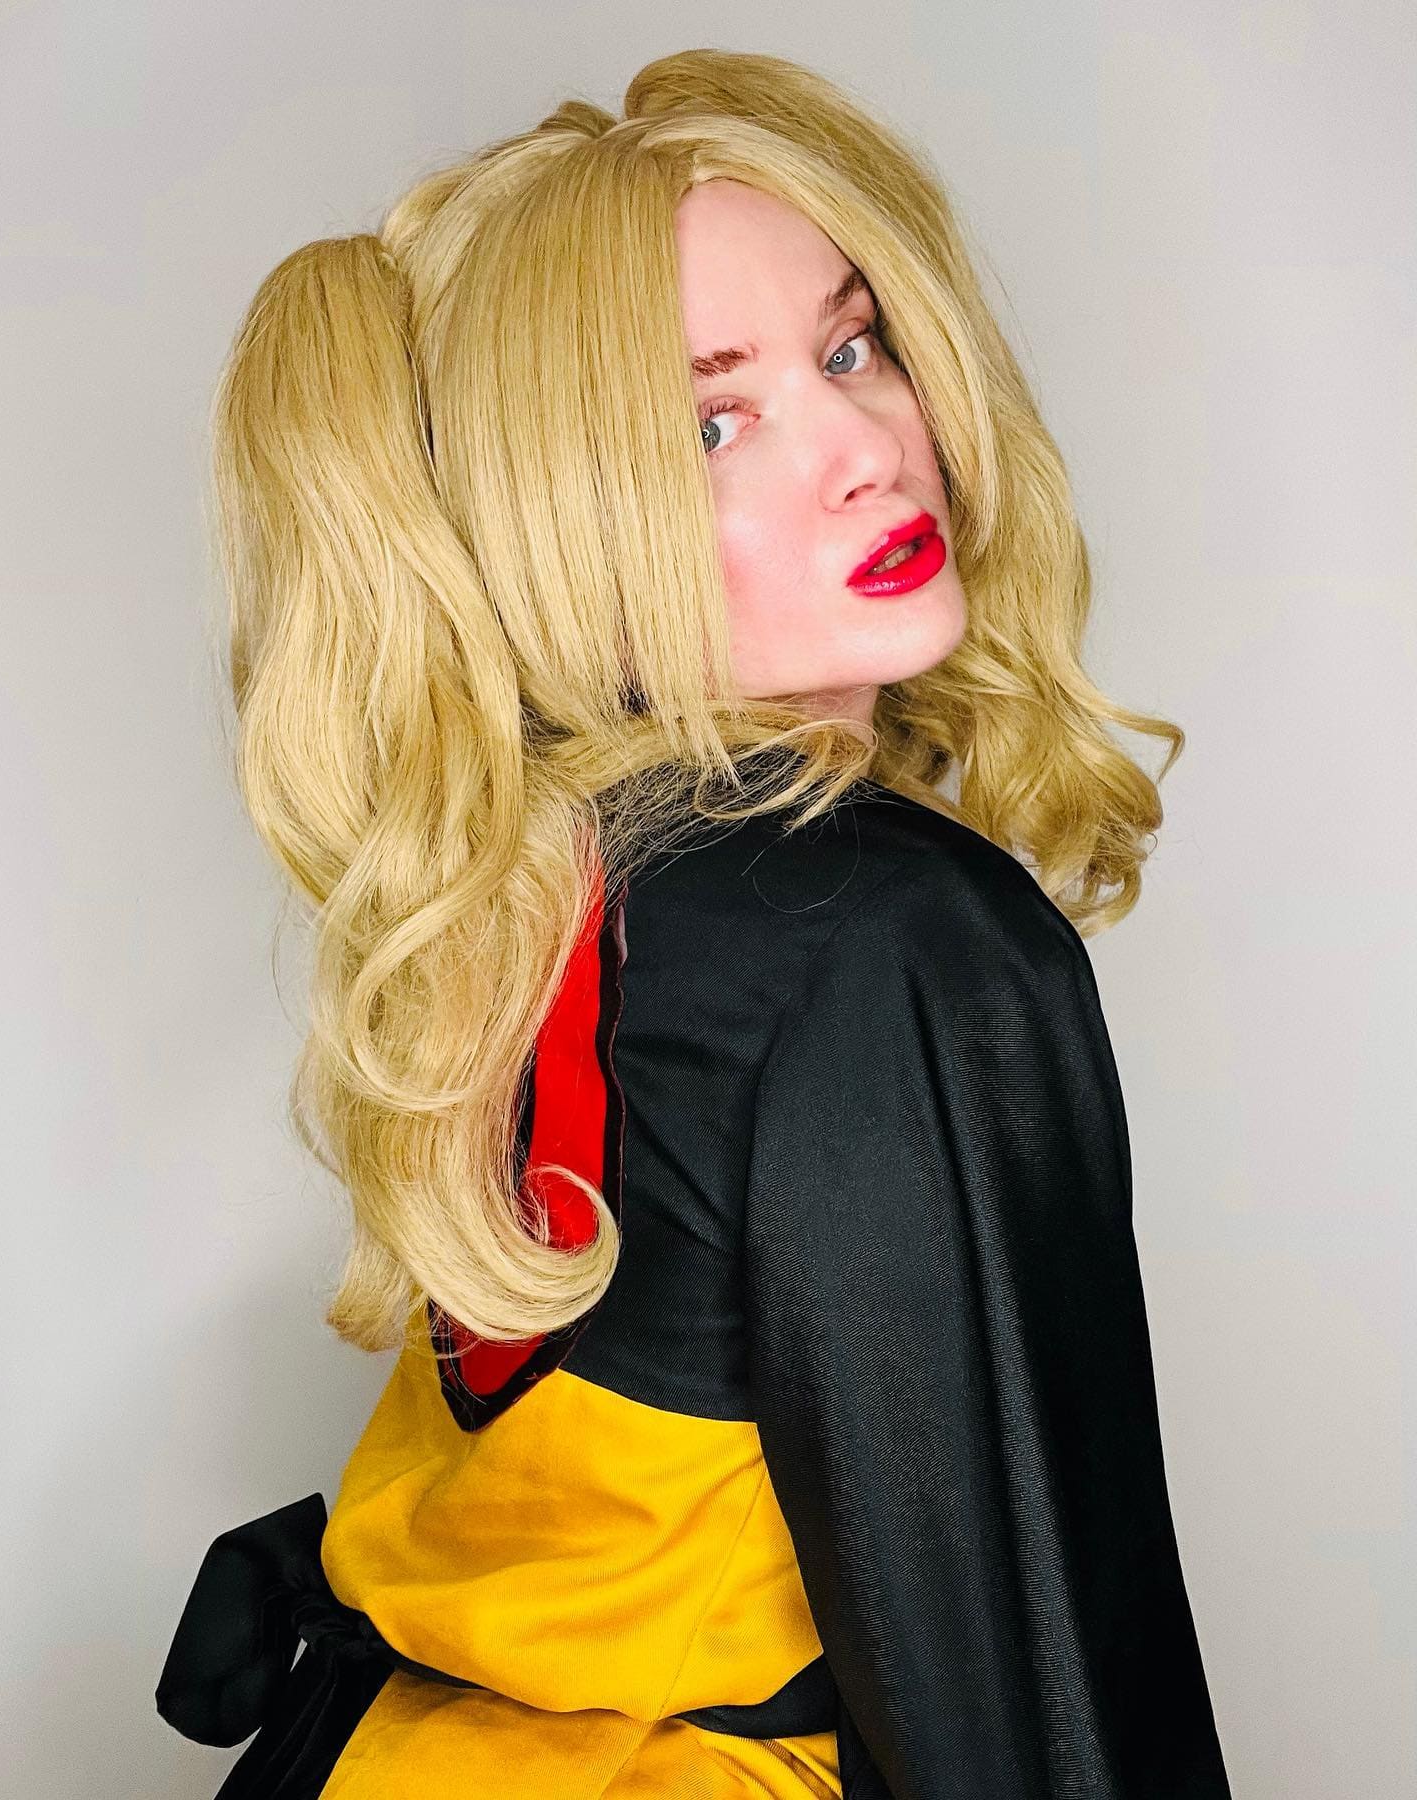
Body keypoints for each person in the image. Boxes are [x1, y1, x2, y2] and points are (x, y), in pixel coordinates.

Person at [155, 46, 1233, 1800]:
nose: (867, 449)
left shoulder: (535, 875)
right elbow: (1027, 1670)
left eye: (853, 346)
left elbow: (587, 1484)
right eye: (710, 424)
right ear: (554, 525)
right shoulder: (887, 933)